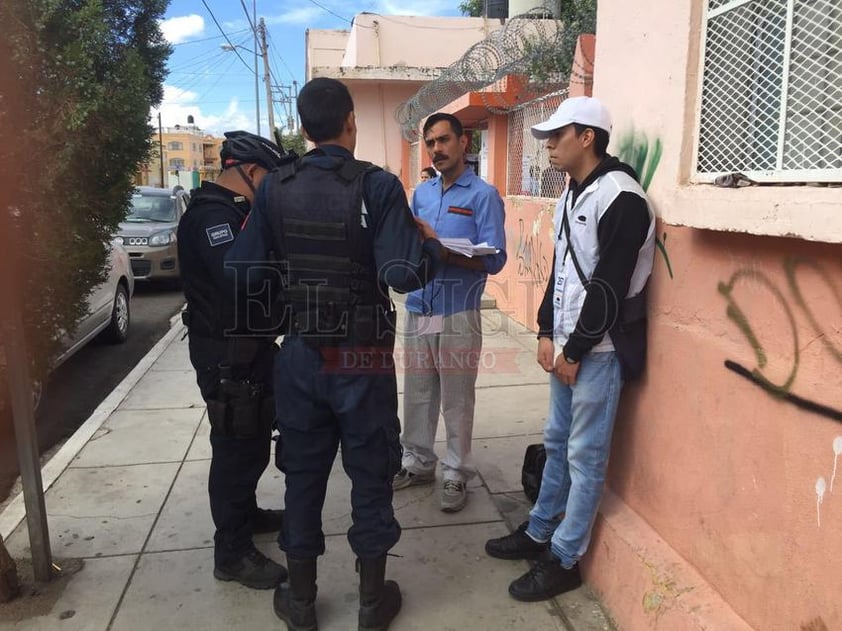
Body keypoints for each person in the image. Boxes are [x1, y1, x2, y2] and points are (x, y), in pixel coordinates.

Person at [225, 77, 447, 631]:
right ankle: (372, 603)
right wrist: (429, 245)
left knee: (302, 474)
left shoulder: (274, 186)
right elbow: (403, 275)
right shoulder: (378, 185)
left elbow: (244, 271)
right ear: (351, 121)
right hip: (362, 357)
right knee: (370, 470)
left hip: (300, 354)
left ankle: (301, 603)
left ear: (303, 128)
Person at [484, 96, 655, 601]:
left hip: (598, 353)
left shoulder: (622, 198)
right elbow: (560, 272)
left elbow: (609, 284)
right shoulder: (570, 195)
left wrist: (576, 350)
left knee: (584, 456)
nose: (549, 146)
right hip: (567, 347)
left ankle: (565, 557)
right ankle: (539, 531)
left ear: (588, 137)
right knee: (557, 442)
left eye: (558, 136)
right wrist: (544, 332)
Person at [177, 131, 294, 589]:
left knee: (251, 442)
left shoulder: (235, 212)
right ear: (250, 171)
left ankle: (246, 515)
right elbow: (241, 278)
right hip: (226, 356)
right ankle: (231, 552)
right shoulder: (212, 217)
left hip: (250, 350)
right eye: (270, 178)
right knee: (234, 451)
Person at [392, 112, 507, 513]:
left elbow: (495, 260)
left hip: (459, 311)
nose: (436, 149)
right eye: (430, 142)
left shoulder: (483, 195)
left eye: (443, 140)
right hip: (423, 305)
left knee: (456, 398)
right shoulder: (421, 194)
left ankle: (456, 472)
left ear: (464, 143)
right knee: (419, 391)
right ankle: (419, 462)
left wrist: (445, 249)